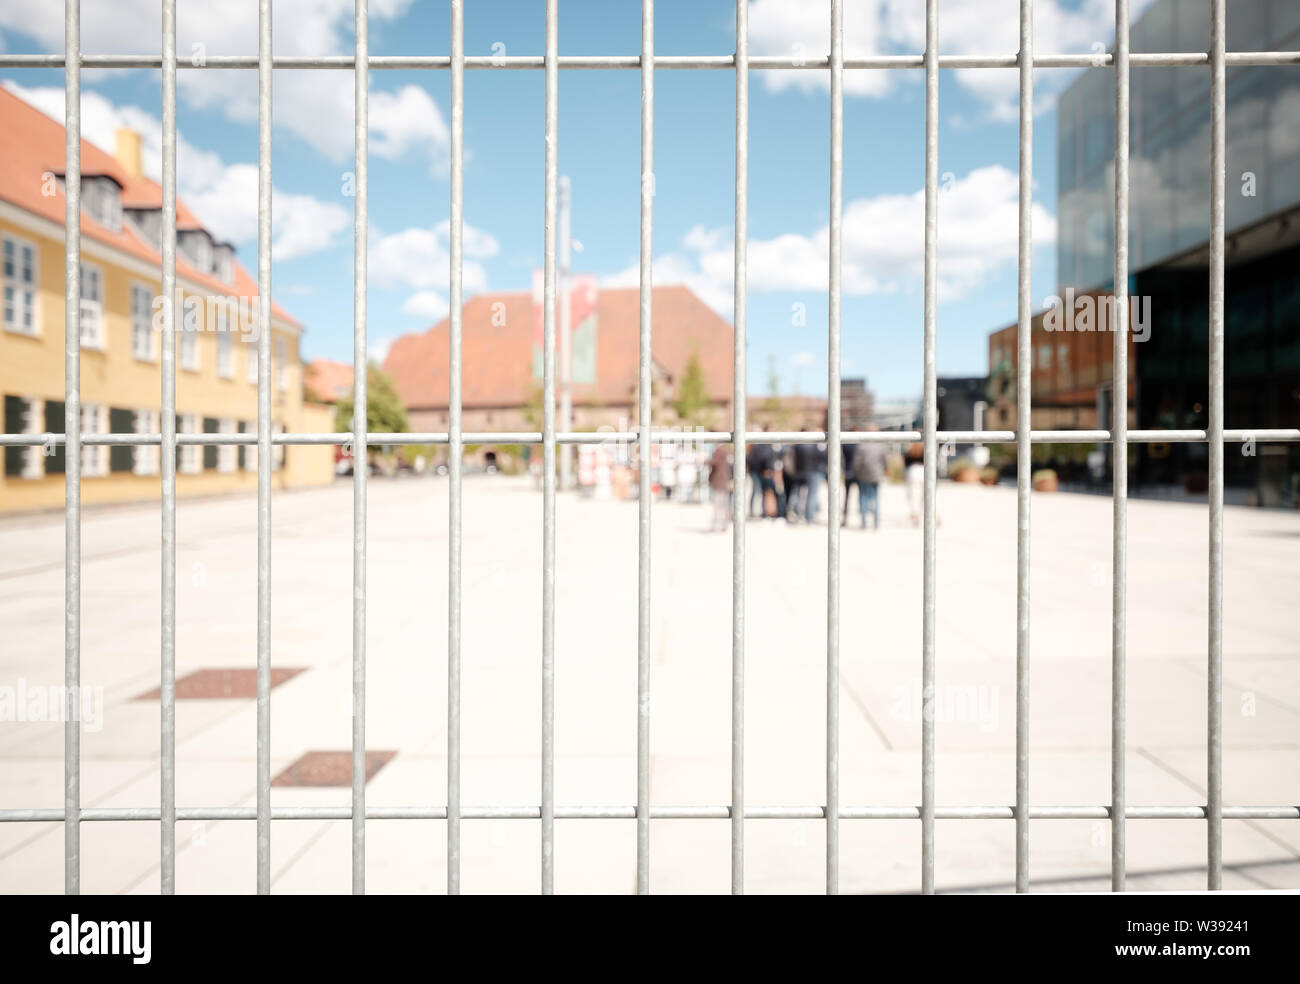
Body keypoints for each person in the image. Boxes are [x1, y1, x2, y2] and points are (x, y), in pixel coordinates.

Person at [851, 427, 888, 529]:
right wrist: (884, 471)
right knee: (875, 498)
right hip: (876, 475)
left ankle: (864, 523)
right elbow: (885, 461)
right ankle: (876, 523)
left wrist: (857, 473)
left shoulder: (861, 446)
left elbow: (856, 463)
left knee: (863, 498)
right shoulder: (881, 446)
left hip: (863, 475)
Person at [708, 443, 732, 531]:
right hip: (722, 480)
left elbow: (715, 462)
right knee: (721, 504)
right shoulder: (724, 450)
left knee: (719, 504)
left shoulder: (720, 450)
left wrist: (704, 460)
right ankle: (722, 524)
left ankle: (719, 524)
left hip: (720, 481)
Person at [904, 441, 925, 526]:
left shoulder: (909, 452)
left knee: (914, 495)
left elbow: (906, 464)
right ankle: (934, 514)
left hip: (913, 472)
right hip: (924, 471)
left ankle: (916, 514)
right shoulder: (925, 450)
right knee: (927, 495)